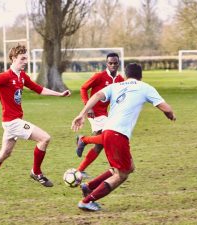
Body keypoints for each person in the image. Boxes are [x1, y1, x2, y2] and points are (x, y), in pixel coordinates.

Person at [0, 44, 71, 194]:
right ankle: (36, 172)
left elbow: (38, 89)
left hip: (12, 122)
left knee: (5, 153)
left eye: (26, 58)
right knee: (44, 138)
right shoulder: (5, 77)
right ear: (14, 58)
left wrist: (59, 94)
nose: (25, 61)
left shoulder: (22, 76)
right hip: (12, 122)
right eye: (22, 59)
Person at [71, 63, 176, 211]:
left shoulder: (116, 86)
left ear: (126, 75)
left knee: (129, 167)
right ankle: (87, 201)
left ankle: (89, 186)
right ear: (141, 75)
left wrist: (81, 114)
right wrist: (170, 115)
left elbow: (95, 95)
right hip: (117, 135)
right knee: (122, 174)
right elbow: (165, 108)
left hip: (107, 131)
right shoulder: (145, 87)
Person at [75, 53, 125, 177]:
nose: (113, 65)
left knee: (100, 144)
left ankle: (80, 169)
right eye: (110, 63)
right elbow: (83, 88)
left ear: (118, 64)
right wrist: (89, 106)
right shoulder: (99, 76)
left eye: (115, 63)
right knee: (108, 139)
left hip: (105, 113)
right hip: (95, 112)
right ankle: (114, 167)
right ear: (106, 64)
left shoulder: (120, 79)